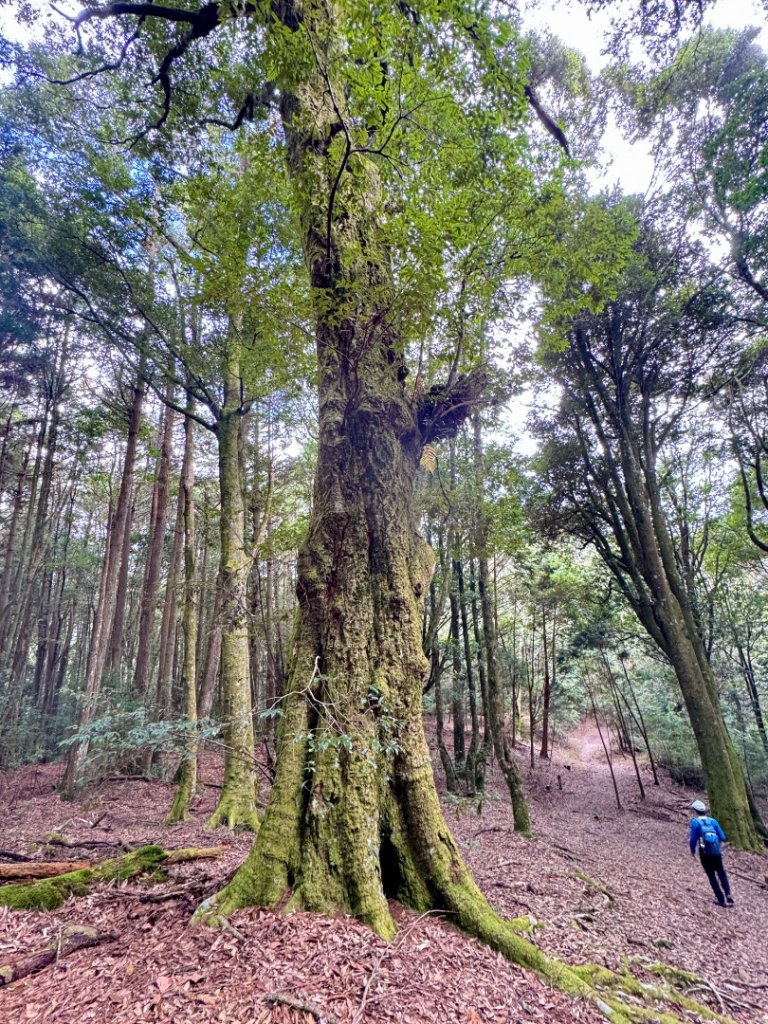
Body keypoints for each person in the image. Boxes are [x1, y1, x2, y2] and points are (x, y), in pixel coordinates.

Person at [689, 799, 734, 907]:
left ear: (695, 811)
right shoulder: (713, 821)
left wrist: (692, 850)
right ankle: (728, 894)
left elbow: (693, 839)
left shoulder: (695, 822)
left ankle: (720, 899)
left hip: (705, 853)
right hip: (716, 851)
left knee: (711, 875)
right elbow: (722, 836)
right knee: (721, 872)